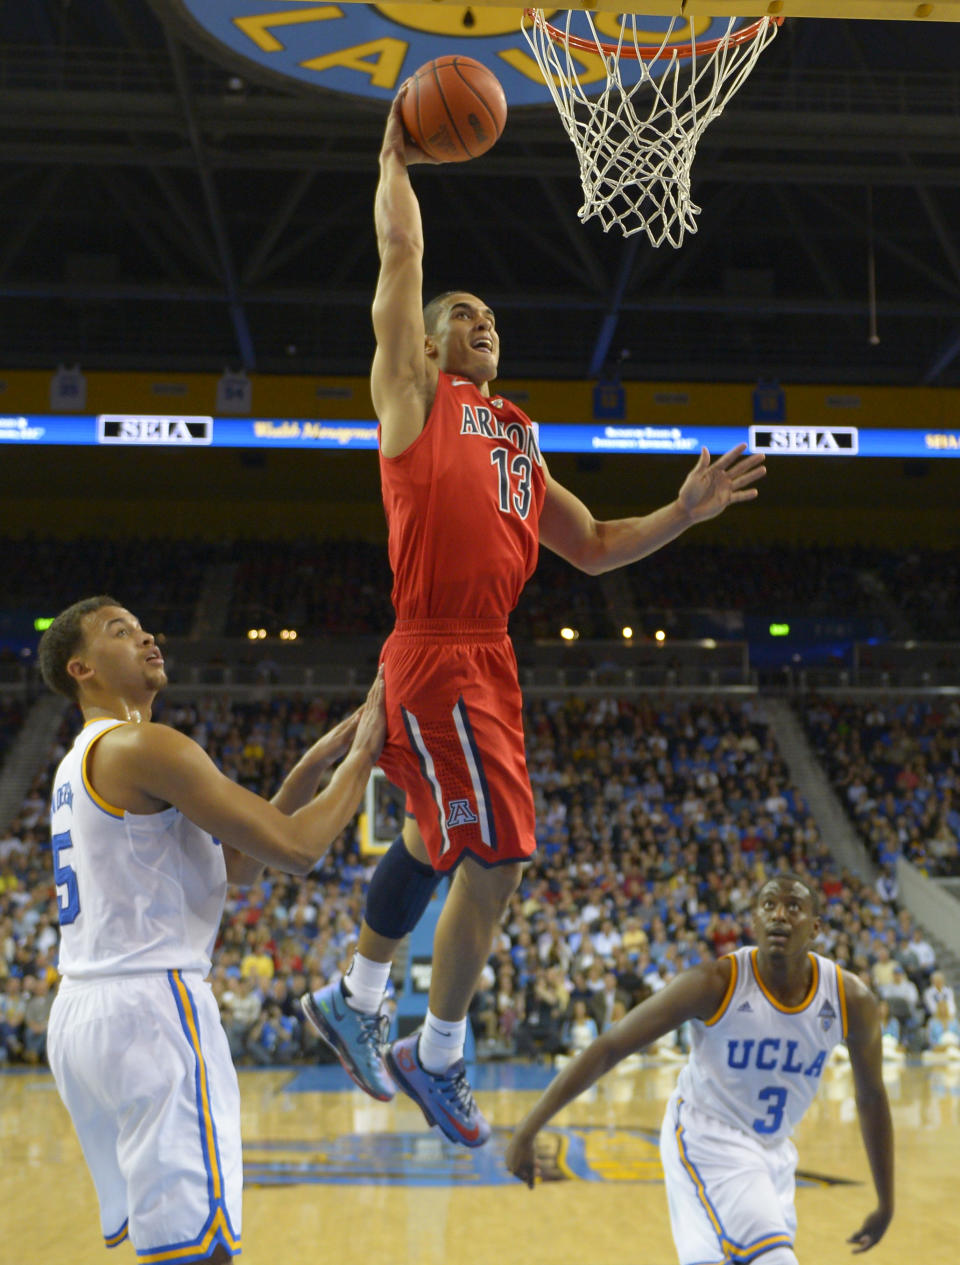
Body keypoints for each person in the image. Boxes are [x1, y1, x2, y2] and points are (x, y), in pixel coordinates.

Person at [302, 84, 766, 1148]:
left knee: (431, 833)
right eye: (467, 316)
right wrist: (397, 165)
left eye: (493, 318)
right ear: (424, 346)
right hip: (438, 647)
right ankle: (438, 1048)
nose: (485, 324)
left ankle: (357, 999)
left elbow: (598, 545)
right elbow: (400, 267)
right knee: (501, 853)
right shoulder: (414, 398)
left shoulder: (516, 433)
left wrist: (684, 513)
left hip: (485, 657)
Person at [38, 595, 385, 1265]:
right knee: (200, 1254)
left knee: (171, 1247)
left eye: (143, 626)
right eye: (120, 631)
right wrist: (365, 754)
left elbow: (237, 864)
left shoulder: (78, 763)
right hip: (150, 1009)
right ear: (81, 667)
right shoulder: (144, 743)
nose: (146, 638)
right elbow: (297, 849)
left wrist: (319, 756)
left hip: (85, 1013)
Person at [505, 875, 894, 1263]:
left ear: (815, 927)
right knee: (774, 1258)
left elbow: (872, 1096)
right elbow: (610, 1047)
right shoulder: (715, 983)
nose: (779, 915)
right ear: (753, 922)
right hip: (707, 1136)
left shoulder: (850, 1000)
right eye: (769, 905)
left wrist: (886, 1200)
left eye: (794, 907)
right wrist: (528, 1128)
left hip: (774, 1151)